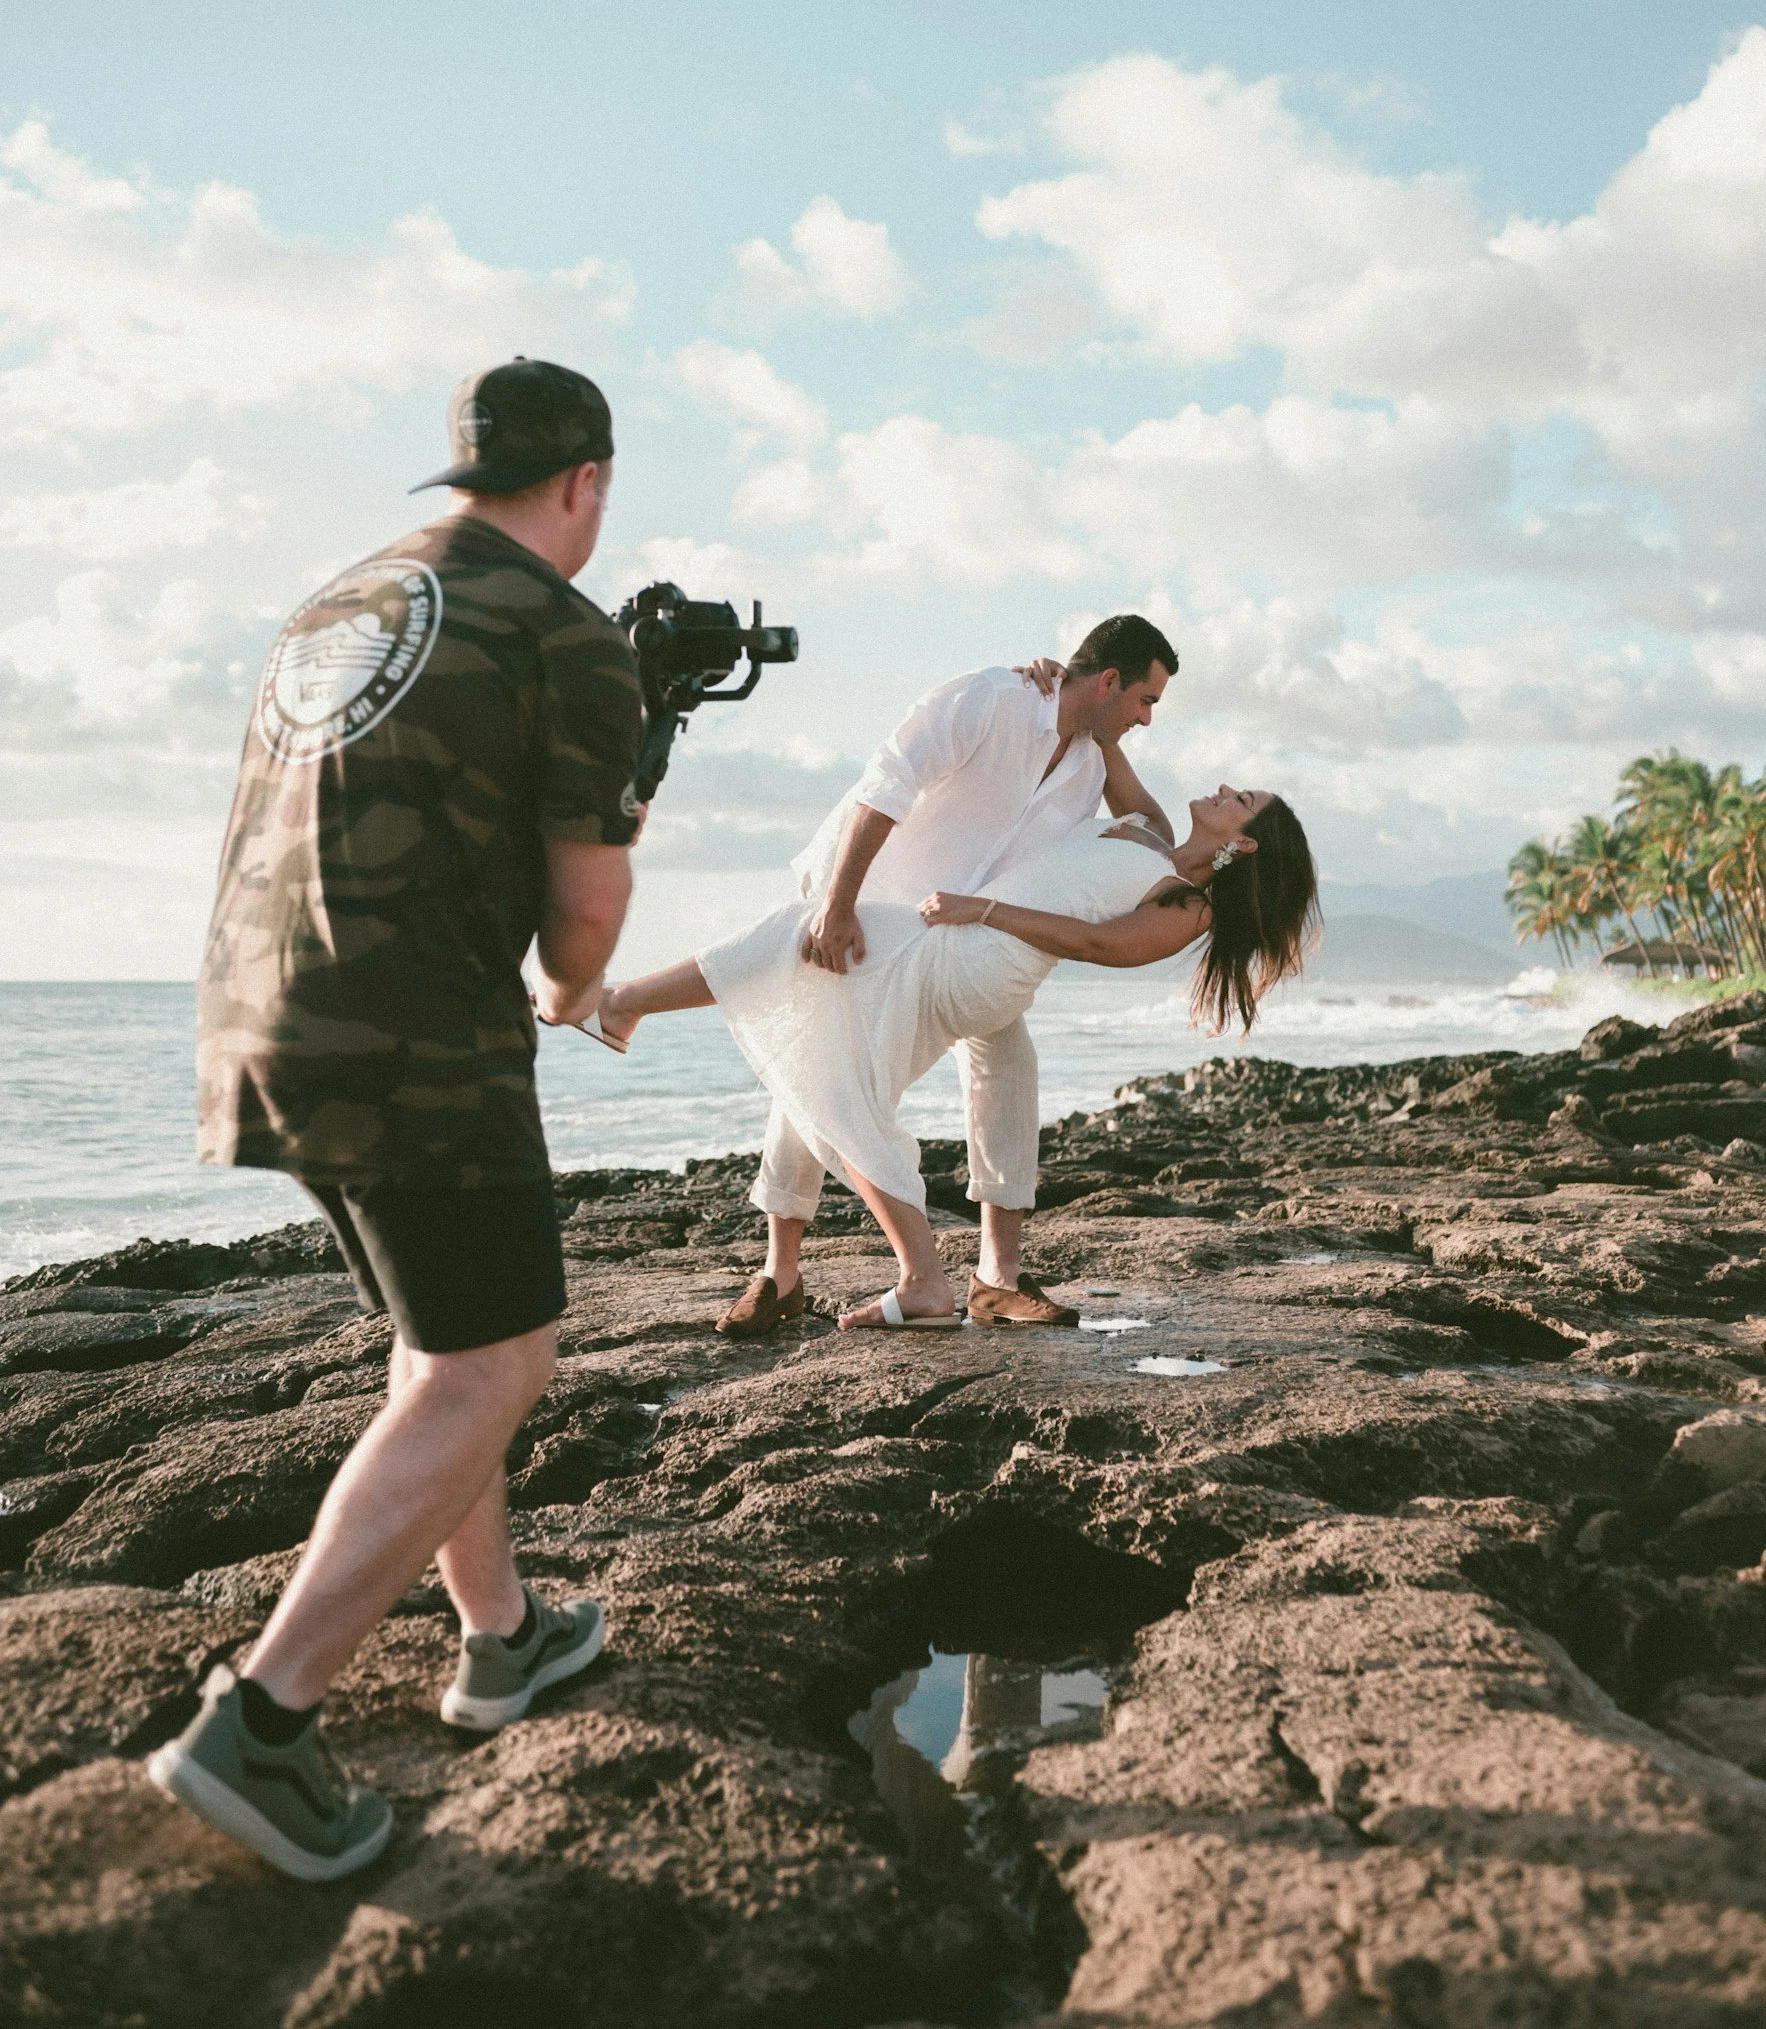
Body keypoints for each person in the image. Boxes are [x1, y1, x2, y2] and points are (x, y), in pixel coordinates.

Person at [149, 358, 644, 1882]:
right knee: (498, 1360)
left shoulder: (339, 603)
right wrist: (585, 949)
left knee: (446, 1345)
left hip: (261, 1012)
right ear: (587, 485)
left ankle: (500, 1638)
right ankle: (264, 1721)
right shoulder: (563, 633)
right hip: (416, 1033)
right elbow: (578, 930)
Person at [596, 785, 1317, 1328]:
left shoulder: (1191, 903)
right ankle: (808, 1277)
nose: (1225, 789)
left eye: (1241, 799)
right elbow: (1102, 722)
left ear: (1246, 844)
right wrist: (1051, 677)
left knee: (798, 944)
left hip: (971, 957)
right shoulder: (1148, 826)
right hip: (957, 948)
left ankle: (623, 1003)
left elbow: (1099, 945)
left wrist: (986, 909)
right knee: (820, 1054)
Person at [701, 616, 1180, 1336]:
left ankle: (997, 1279)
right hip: (870, 913)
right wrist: (837, 905)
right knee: (822, 1071)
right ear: (1110, 680)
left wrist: (1101, 732)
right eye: (1145, 700)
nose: (1147, 719)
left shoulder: (1086, 768)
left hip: (959, 941)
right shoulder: (993, 698)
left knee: (1008, 1061)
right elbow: (886, 783)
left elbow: (1153, 825)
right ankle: (780, 1273)